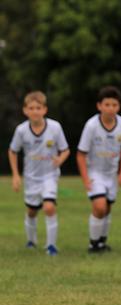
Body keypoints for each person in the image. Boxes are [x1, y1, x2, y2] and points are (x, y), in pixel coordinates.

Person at [8, 91, 70, 256]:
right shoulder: (21, 130)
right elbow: (13, 151)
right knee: (32, 211)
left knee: (49, 207)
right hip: (31, 178)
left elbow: (66, 150)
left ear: (45, 109)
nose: (35, 111)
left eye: (38, 108)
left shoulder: (55, 127)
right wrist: (15, 175)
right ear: (25, 110)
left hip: (50, 176)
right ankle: (31, 240)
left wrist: (60, 159)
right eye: (31, 108)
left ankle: (51, 246)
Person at [77, 86, 121, 253]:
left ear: (118, 107)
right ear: (99, 106)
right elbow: (80, 154)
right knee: (99, 206)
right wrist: (85, 179)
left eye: (114, 105)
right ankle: (93, 244)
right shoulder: (91, 125)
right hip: (95, 173)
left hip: (111, 174)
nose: (111, 108)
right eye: (107, 104)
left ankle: (101, 242)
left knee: (107, 208)